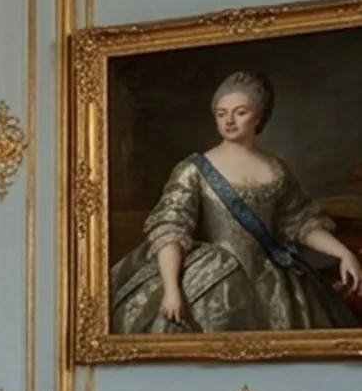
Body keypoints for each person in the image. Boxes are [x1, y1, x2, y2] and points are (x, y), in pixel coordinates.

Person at [107, 69, 362, 334]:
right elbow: (171, 230)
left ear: (259, 117)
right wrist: (172, 289)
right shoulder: (193, 170)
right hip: (213, 280)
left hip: (273, 281)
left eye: (240, 112)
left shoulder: (277, 169)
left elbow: (299, 222)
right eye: (221, 113)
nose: (229, 121)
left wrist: (343, 253)